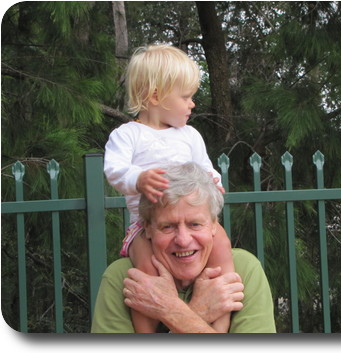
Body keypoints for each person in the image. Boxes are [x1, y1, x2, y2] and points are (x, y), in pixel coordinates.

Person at [103, 44, 233, 332]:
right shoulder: (128, 135)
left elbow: (205, 167)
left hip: (192, 222)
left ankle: (220, 326)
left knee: (222, 246)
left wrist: (214, 181)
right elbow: (114, 170)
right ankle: (146, 332)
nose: (192, 104)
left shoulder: (190, 136)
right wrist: (138, 179)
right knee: (146, 274)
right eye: (186, 97)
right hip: (145, 227)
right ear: (156, 96)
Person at [91, 163, 276, 333]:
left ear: (214, 224)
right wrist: (195, 313)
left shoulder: (244, 270)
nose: (183, 240)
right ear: (147, 228)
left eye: (195, 224)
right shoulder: (123, 278)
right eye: (168, 226)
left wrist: (171, 311)